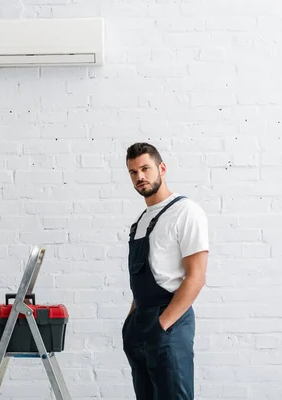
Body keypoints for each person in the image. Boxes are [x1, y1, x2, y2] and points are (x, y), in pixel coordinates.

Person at [121, 142, 209, 400]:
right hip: (141, 324)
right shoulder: (141, 221)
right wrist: (130, 324)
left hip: (169, 322)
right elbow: (140, 282)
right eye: (133, 172)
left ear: (162, 168)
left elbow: (197, 277)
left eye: (145, 168)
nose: (140, 177)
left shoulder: (186, 212)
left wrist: (162, 326)